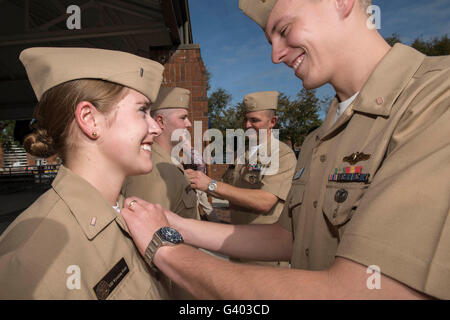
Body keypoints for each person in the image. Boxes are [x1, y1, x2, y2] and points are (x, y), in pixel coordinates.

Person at [120, 0, 449, 299]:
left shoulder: (435, 102)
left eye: (285, 30)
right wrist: (174, 224)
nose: (275, 55)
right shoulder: (319, 139)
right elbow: (287, 238)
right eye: (270, 40)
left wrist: (166, 249)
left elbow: (364, 291)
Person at [0, 47, 170, 299]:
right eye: (142, 110)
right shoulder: (32, 261)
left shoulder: (129, 213)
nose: (156, 128)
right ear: (90, 119)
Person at [186, 91, 296, 267]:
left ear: (272, 122)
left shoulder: (282, 155)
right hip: (239, 245)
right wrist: (200, 182)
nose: (247, 125)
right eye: (246, 119)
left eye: (255, 120)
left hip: (264, 253)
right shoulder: (242, 153)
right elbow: (228, 189)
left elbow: (265, 201)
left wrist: (211, 184)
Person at [122, 87, 200, 221]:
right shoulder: (151, 169)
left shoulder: (167, 161)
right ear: (160, 121)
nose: (189, 124)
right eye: (183, 118)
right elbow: (150, 232)